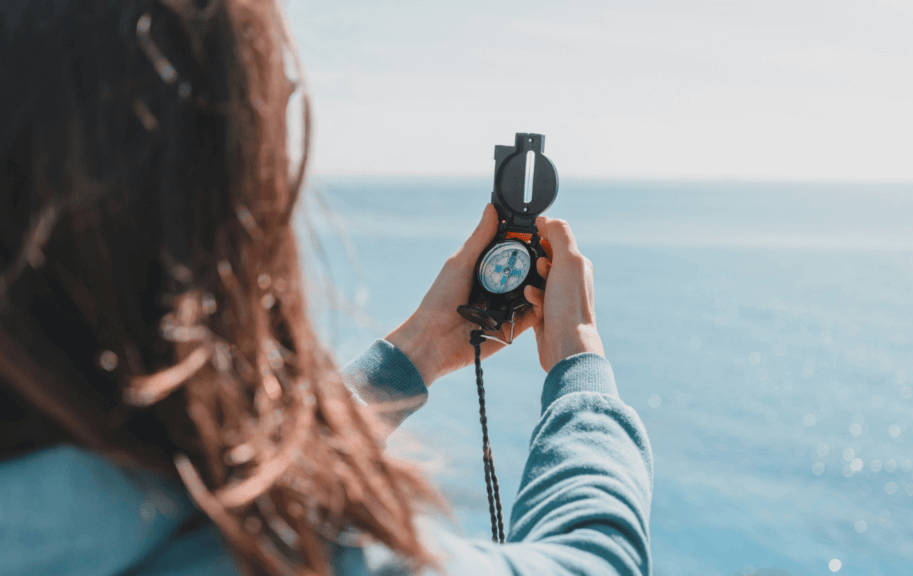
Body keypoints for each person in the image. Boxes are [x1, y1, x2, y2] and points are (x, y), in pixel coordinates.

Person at [0, 1, 653, 575]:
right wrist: (579, 363)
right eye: (274, 119)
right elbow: (598, 561)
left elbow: (224, 486)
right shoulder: (291, 561)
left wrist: (422, 345)